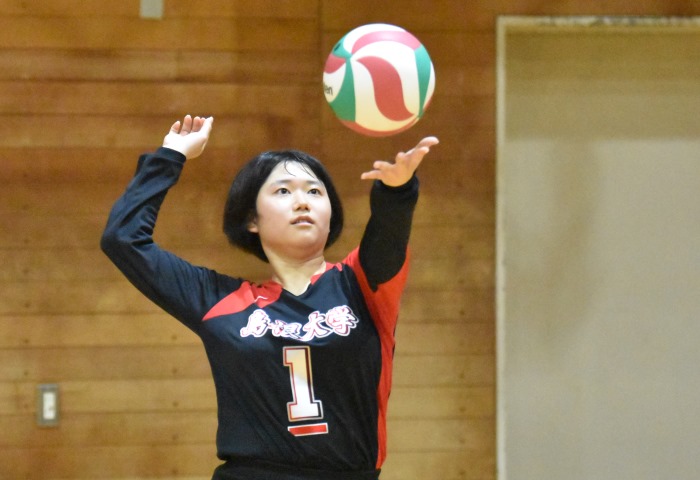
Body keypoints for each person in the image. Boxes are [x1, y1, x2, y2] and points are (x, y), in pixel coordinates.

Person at [101, 115, 438, 480]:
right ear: (252, 220)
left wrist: (397, 191)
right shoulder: (219, 301)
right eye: (283, 191)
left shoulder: (362, 282)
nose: (302, 201)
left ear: (331, 214)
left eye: (315, 192)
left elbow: (389, 232)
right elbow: (123, 240)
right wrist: (170, 155)